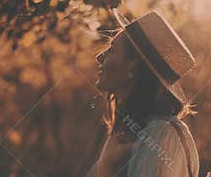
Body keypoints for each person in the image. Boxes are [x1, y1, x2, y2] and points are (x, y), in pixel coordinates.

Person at [85, 10, 199, 177]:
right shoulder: (133, 132)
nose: (100, 57)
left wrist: (105, 167)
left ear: (132, 68)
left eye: (112, 50)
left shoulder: (161, 136)